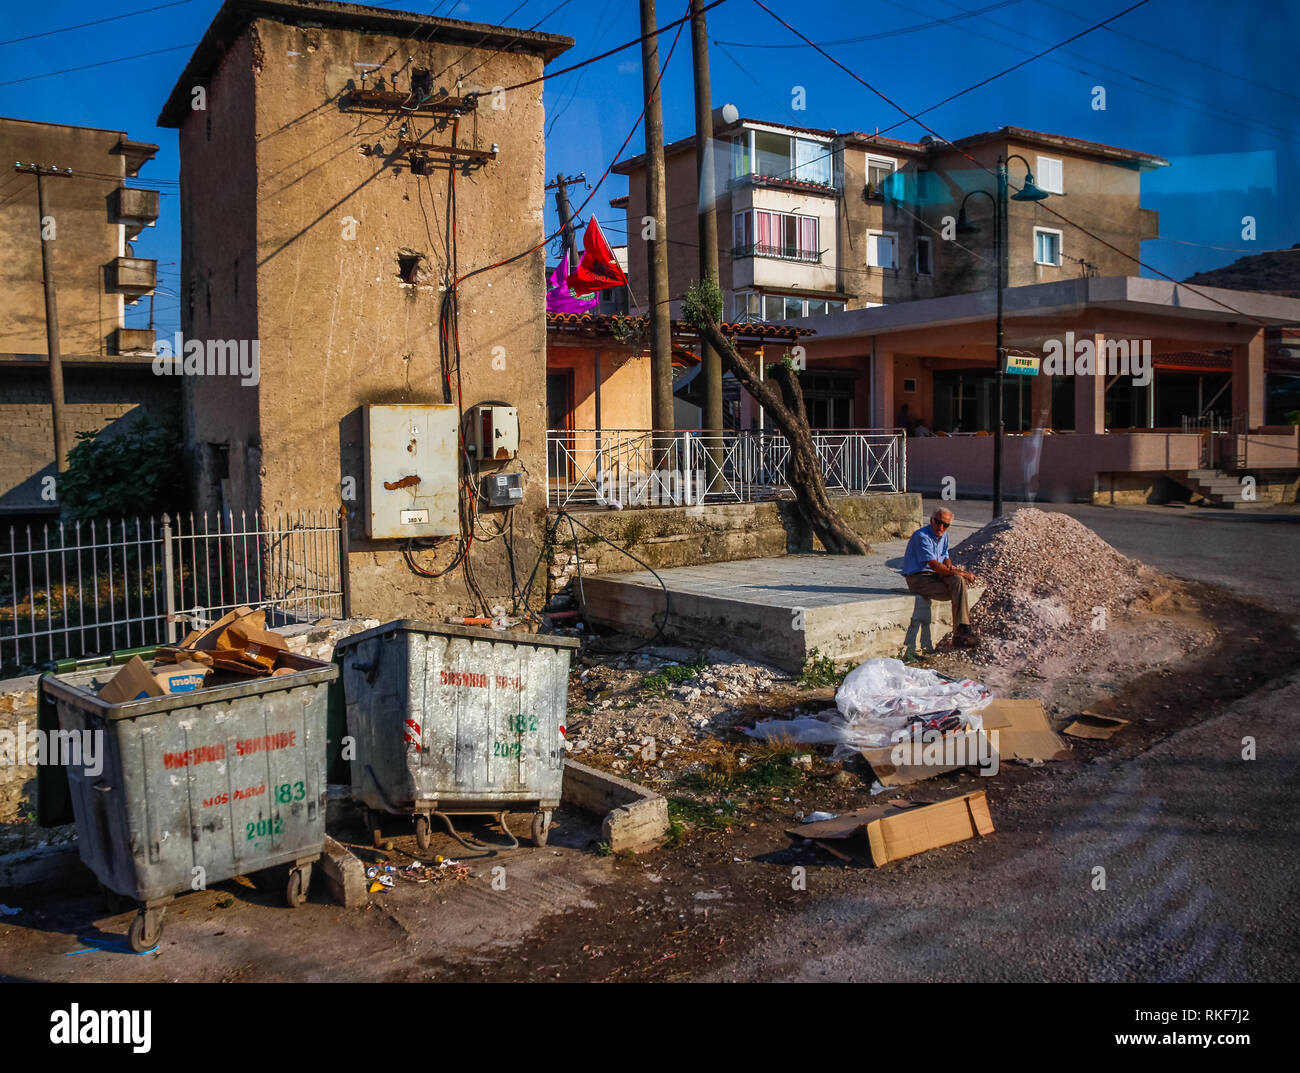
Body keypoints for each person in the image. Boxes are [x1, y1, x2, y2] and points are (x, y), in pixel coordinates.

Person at [900, 508, 979, 648]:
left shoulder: (944, 536)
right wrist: (962, 573)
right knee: (959, 587)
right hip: (919, 578)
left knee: (958, 583)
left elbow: (945, 556)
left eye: (945, 525)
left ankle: (962, 629)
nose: (941, 527)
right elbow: (934, 565)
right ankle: (960, 634)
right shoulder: (921, 536)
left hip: (936, 576)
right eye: (938, 522)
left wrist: (950, 567)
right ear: (931, 520)